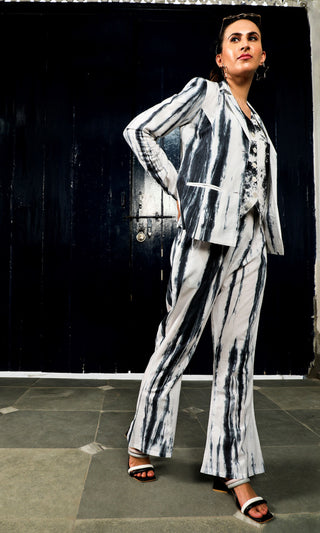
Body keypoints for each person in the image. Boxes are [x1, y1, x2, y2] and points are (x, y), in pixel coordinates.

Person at [123, 13, 283, 525]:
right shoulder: (204, 95)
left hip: (250, 244)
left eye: (252, 39)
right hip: (203, 238)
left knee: (237, 357)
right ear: (220, 57)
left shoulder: (257, 121)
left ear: (261, 57)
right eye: (234, 39)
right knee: (177, 343)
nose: (243, 44)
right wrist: (181, 191)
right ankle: (142, 440)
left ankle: (233, 468)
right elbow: (140, 132)